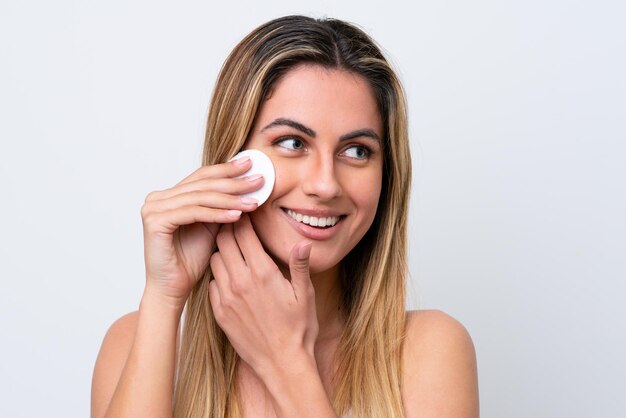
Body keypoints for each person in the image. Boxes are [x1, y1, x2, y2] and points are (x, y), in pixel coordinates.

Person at [91, 15, 478, 418]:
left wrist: (285, 363)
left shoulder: (430, 351)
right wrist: (165, 296)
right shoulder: (135, 341)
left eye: (358, 151)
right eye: (293, 142)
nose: (326, 185)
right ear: (233, 155)